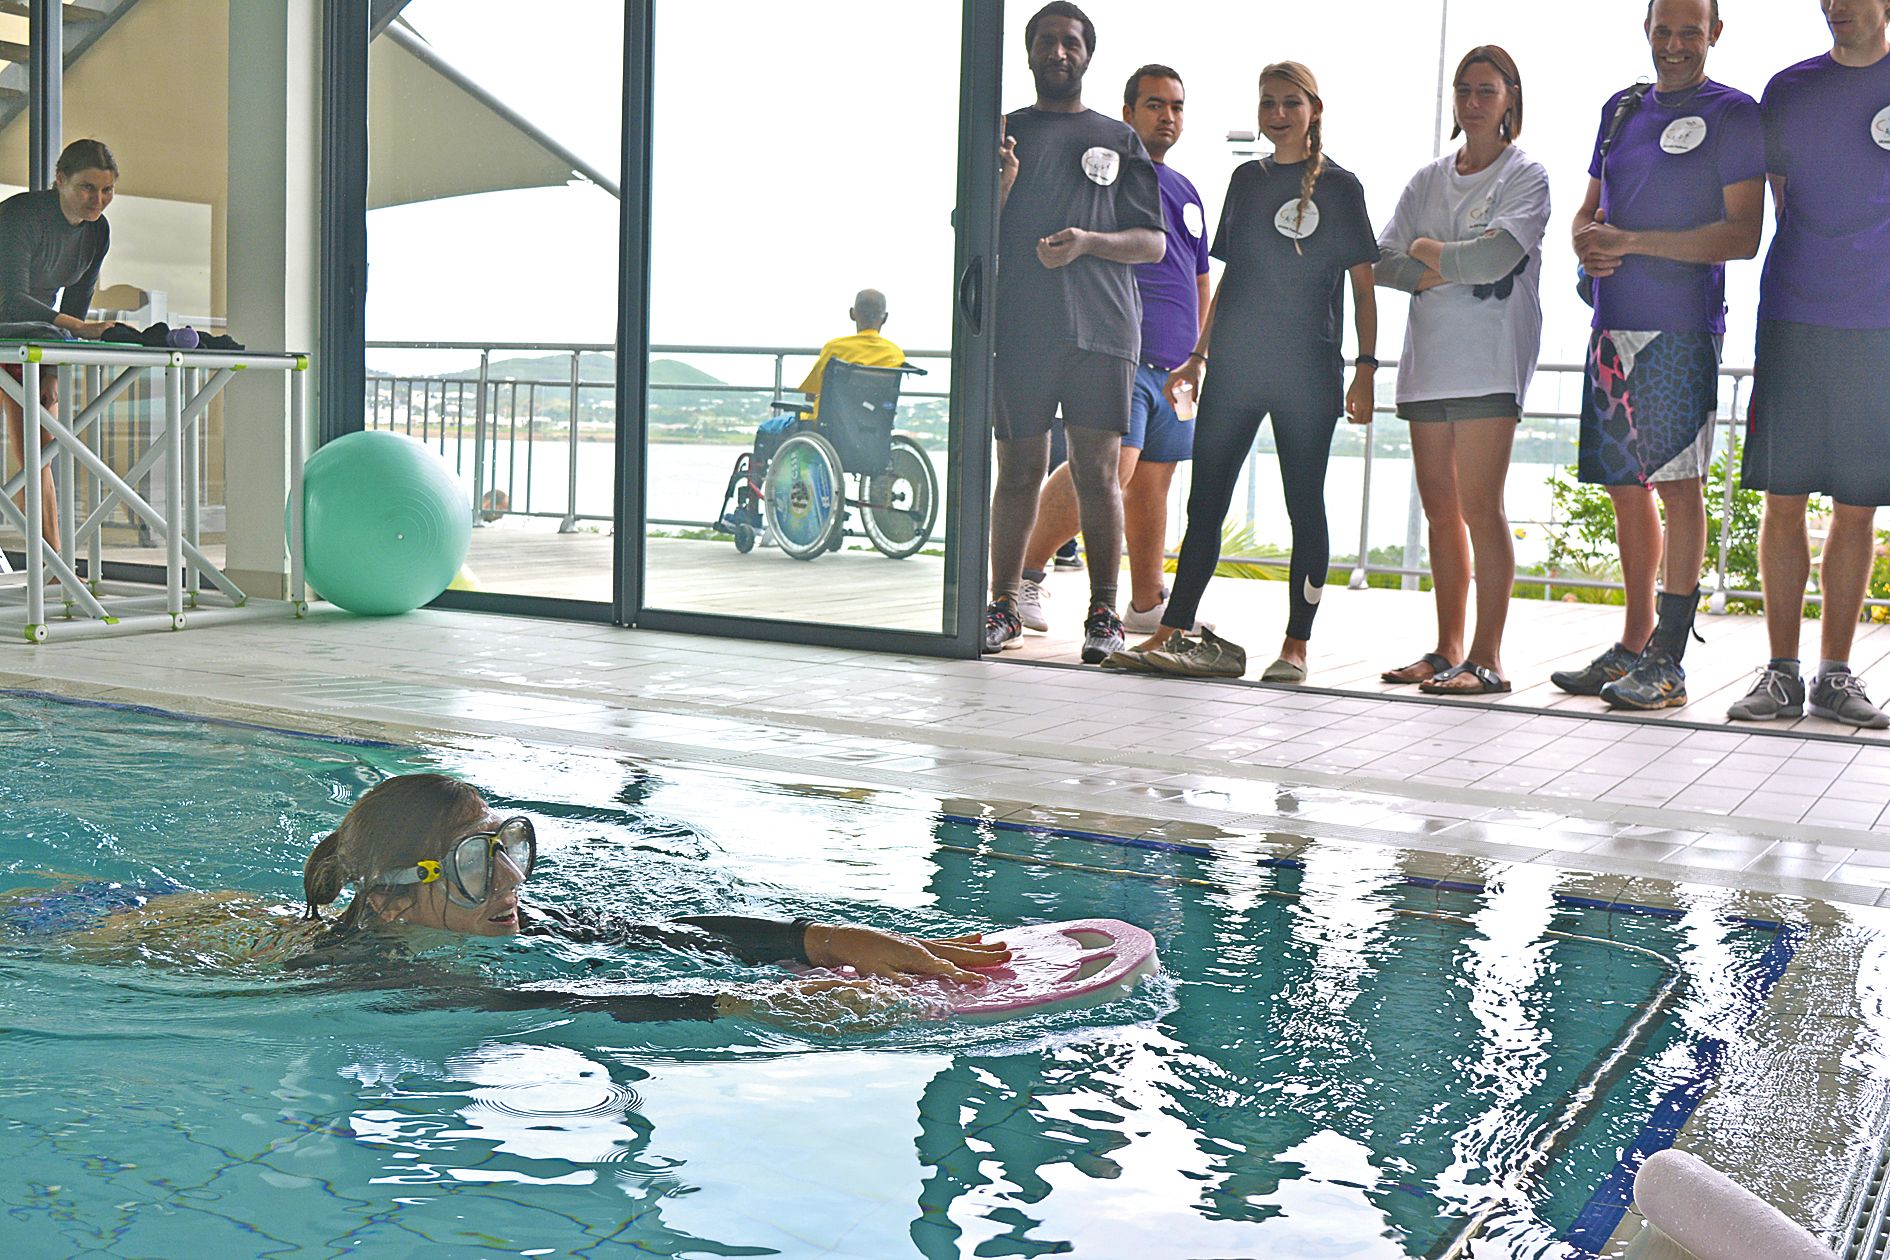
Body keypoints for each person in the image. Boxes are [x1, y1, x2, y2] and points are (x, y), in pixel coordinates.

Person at [2, 774, 1010, 1026]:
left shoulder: (494, 913)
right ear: (397, 903)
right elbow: (565, 1007)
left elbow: (673, 935)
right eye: (482, 867)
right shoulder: (375, 969)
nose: (512, 885)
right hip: (104, 929)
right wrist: (769, 1009)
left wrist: (837, 941)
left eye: (508, 849)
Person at [1109, 61, 1379, 682]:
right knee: (1205, 503)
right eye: (1267, 103)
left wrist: (1364, 367)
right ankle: (1174, 629)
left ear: (1313, 108)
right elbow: (1230, 280)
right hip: (1236, 363)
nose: (1277, 114)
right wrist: (1199, 356)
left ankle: (1295, 647)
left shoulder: (1342, 188)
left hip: (1308, 368)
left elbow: (1364, 288)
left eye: (1290, 102)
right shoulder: (1246, 180)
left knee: (1303, 504)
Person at [1551, 0, 1763, 711]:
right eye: (1664, 31)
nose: (1675, 46)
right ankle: (1636, 641)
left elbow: (1743, 235)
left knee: (1679, 488)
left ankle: (1668, 661)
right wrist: (1585, 238)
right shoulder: (1620, 109)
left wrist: (1633, 243)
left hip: (1681, 331)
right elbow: (1587, 212)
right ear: (1646, 31)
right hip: (1611, 329)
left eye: (1690, 33)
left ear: (1716, 34)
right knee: (1624, 488)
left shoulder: (1735, 113)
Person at [985, 2, 1166, 663]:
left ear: (1087, 55)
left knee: (1096, 473)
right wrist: (1000, 185)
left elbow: (1151, 242)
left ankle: (1103, 615)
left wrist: (1089, 241)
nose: (1059, 52)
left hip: (1105, 332)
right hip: (1024, 329)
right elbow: (971, 232)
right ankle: (1002, 605)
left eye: (1071, 43)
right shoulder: (1002, 132)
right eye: (1046, 42)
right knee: (1020, 471)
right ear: (1028, 52)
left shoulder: (1119, 139)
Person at [1729, 0, 1890, 728]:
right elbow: (1783, 203)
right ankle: (1783, 674)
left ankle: (1834, 677)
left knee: (1857, 506)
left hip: (1879, 328)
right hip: (1794, 314)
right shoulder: (1788, 90)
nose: (1838, 5)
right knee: (1783, 497)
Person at [1374, 47, 1550, 696]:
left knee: (1482, 508)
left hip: (1488, 365)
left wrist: (1429, 254)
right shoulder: (1426, 181)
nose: (1474, 101)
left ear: (1510, 99)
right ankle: (1448, 649)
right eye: (1464, 90)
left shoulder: (1526, 177)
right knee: (1441, 512)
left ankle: (1488, 658)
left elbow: (1498, 258)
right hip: (1427, 365)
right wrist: (1446, 261)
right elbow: (1381, 264)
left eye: (1487, 90)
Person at [1015, 64, 1211, 642]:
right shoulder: (1109, 173)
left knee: (1153, 483)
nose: (1166, 117)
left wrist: (1200, 356)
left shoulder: (1186, 189)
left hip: (1176, 369)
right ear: (1127, 113)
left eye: (1175, 106)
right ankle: (1021, 575)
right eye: (1153, 105)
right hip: (1119, 353)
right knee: (1102, 471)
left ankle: (1147, 601)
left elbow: (1199, 277)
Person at [0, 138, 118, 554]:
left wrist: (52, 371)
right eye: (87, 188)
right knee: (36, 456)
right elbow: (9, 297)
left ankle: (54, 570)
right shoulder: (20, 215)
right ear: (60, 179)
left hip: (29, 340)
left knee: (39, 455)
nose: (98, 200)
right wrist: (80, 329)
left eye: (107, 190)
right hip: (11, 324)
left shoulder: (97, 231)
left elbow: (75, 304)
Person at [728, 289, 904, 538]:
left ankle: (751, 515)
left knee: (766, 431)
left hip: (824, 433)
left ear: (852, 314)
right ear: (884, 318)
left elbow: (810, 394)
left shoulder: (836, 348)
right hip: (870, 439)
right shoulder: (895, 354)